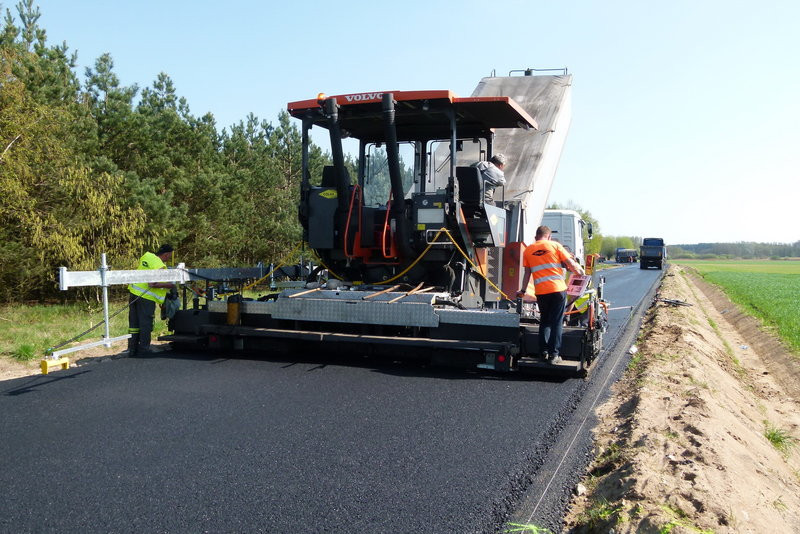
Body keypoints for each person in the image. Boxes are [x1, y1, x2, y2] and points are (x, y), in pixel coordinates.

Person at [516, 226, 585, 364]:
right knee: (557, 322)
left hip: (541, 292)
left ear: (537, 237)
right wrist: (580, 272)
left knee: (545, 321)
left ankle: (543, 353)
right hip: (558, 290)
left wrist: (523, 291)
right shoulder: (555, 245)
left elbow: (527, 274)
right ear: (548, 236)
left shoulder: (528, 250)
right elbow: (571, 264)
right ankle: (554, 355)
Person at [127, 244, 175, 356]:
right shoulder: (159, 265)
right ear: (166, 254)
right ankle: (144, 350)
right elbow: (152, 283)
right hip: (146, 298)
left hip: (134, 293)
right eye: (169, 256)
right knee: (145, 324)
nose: (169, 258)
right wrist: (170, 285)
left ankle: (132, 349)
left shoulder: (147, 256)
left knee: (134, 324)